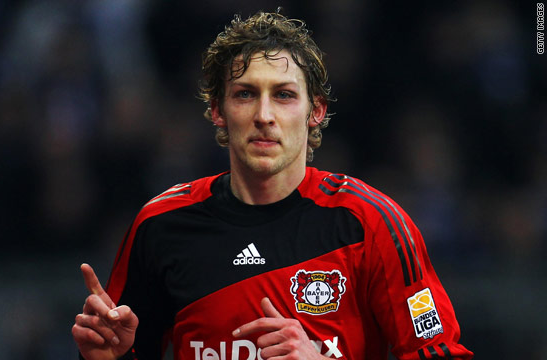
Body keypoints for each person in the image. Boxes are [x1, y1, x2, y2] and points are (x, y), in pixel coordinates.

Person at [72, 10, 473, 360]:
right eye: (246, 94)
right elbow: (124, 350)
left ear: (315, 110)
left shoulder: (371, 223)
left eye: (283, 95)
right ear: (217, 110)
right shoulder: (160, 224)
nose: (264, 115)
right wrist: (109, 359)